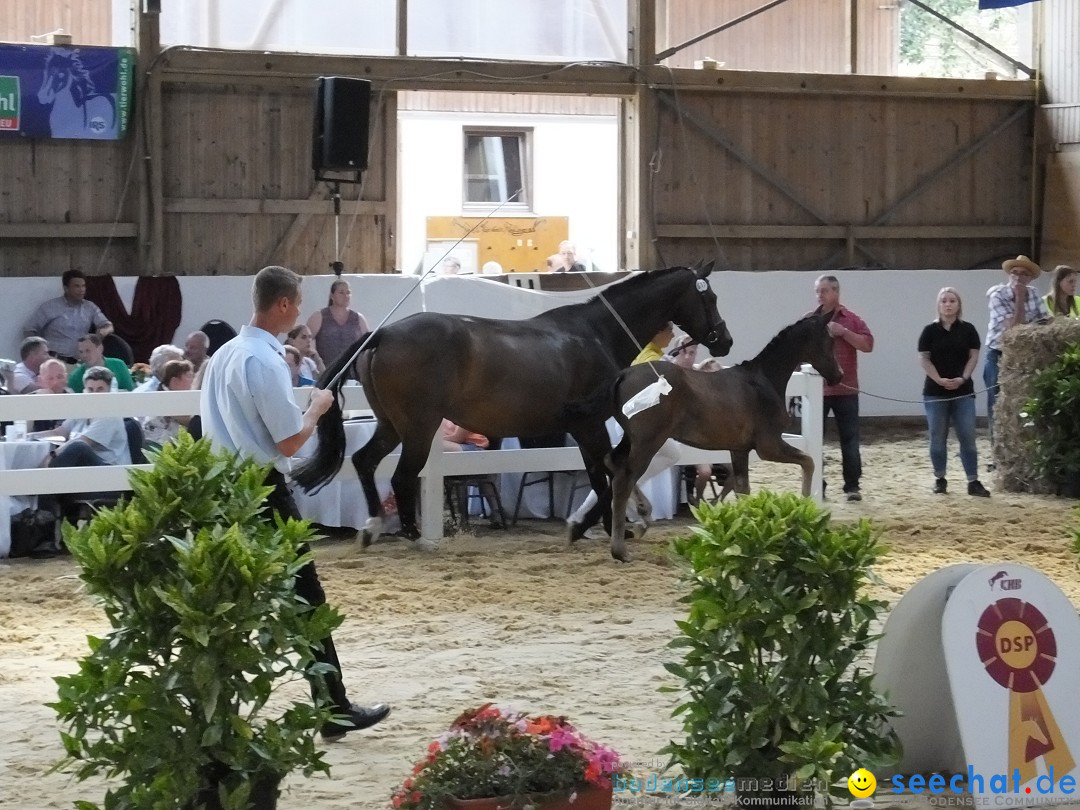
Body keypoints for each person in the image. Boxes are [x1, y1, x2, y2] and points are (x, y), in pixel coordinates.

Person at [200, 265, 390, 740]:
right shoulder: (264, 361)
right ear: (282, 304)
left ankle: (215, 712)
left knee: (228, 602)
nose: (301, 311)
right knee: (307, 599)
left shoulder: (225, 355)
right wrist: (317, 409)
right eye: (298, 302)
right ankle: (332, 708)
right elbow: (288, 442)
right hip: (262, 491)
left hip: (224, 489)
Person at [567, 324, 682, 530]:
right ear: (657, 333)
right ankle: (584, 514)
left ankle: (587, 512)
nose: (672, 335)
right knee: (669, 455)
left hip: (635, 421)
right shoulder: (650, 359)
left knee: (669, 455)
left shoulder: (650, 355)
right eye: (669, 331)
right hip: (638, 422)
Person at [918, 288, 990, 498]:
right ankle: (940, 478)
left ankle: (973, 481)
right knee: (937, 438)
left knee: (968, 437)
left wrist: (963, 378)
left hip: (963, 391)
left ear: (959, 305)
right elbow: (924, 358)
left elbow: (973, 356)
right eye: (944, 301)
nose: (948, 304)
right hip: (935, 392)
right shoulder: (929, 330)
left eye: (952, 301)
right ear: (938, 305)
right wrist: (939, 379)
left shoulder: (968, 330)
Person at [812, 275, 874, 502]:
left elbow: (868, 345)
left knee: (850, 440)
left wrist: (843, 332)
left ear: (836, 292)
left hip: (846, 391)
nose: (820, 295)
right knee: (814, 441)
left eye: (824, 290)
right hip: (816, 391)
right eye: (817, 291)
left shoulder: (852, 320)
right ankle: (818, 484)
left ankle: (852, 486)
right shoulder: (809, 320)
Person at [984, 256, 1050, 448]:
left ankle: (1020, 449)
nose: (1018, 277)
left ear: (1030, 278)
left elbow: (1044, 323)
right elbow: (1014, 330)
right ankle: (997, 452)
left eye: (1024, 274)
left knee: (1023, 403)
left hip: (1025, 358)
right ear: (1009, 275)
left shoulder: (1035, 294)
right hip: (998, 355)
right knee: (996, 404)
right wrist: (1020, 298)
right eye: (1015, 272)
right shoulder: (997, 294)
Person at [33, 366, 129, 469]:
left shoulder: (109, 415)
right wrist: (29, 437)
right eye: (90, 389)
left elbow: (83, 442)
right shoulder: (83, 410)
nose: (94, 394)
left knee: (78, 446)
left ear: (109, 390)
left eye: (100, 389)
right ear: (85, 390)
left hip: (108, 469)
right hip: (83, 467)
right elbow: (59, 432)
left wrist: (52, 455)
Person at [23, 269, 113, 364]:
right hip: (55, 360)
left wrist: (98, 336)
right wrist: (37, 352)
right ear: (66, 288)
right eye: (76, 286)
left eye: (83, 286)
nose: (82, 289)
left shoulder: (90, 307)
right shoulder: (50, 306)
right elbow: (29, 329)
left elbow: (107, 325)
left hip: (81, 362)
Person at [306, 279, 370, 367]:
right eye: (341, 292)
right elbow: (304, 340)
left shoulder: (359, 319)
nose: (346, 296)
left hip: (352, 372)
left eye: (348, 293)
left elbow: (367, 346)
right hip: (326, 372)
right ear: (332, 296)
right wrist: (316, 360)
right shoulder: (319, 316)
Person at [140, 359, 196, 446]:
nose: (193, 380)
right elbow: (189, 421)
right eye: (189, 376)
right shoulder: (165, 399)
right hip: (159, 445)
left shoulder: (181, 397)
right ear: (175, 381)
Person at [68, 334, 135, 393]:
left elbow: (130, 392)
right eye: (81, 352)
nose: (84, 355)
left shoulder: (119, 365)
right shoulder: (75, 377)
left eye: (88, 350)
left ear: (100, 348)